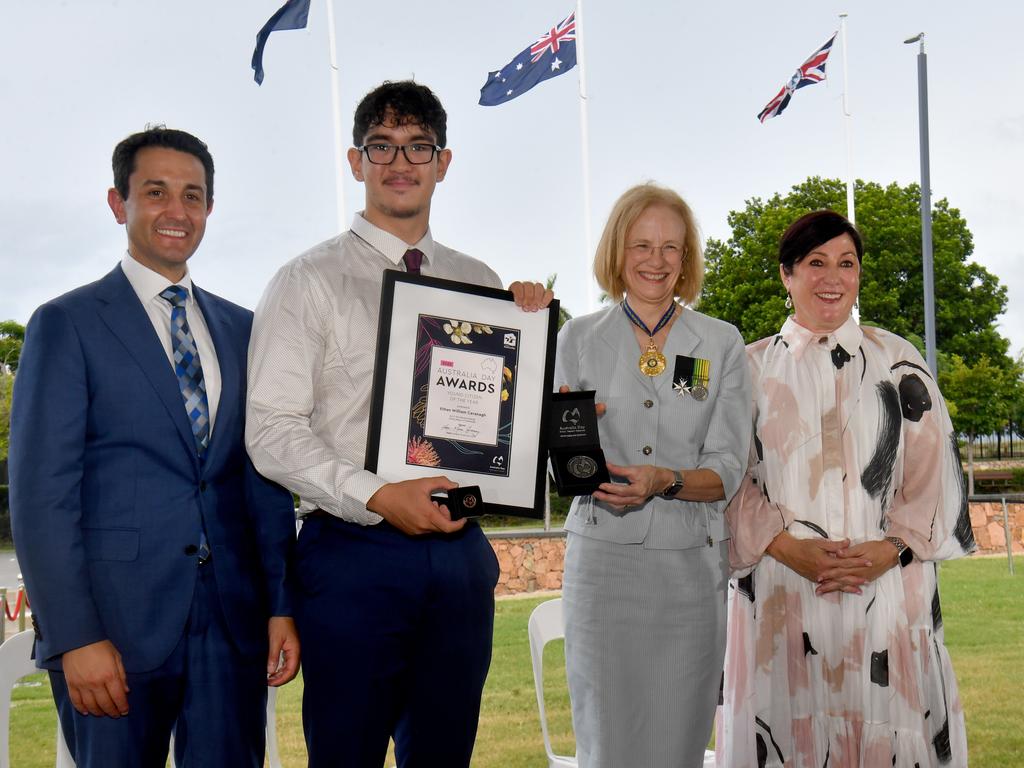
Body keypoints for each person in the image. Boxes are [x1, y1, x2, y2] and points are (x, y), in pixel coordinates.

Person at [245, 80, 552, 768]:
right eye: (381, 146)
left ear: (444, 162)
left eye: (419, 147)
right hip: (354, 556)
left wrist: (532, 336)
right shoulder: (306, 280)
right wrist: (377, 493)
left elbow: (502, 429)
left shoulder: (481, 282)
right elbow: (271, 429)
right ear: (356, 162)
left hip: (459, 555)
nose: (401, 162)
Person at [9, 127, 300, 767]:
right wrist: (75, 636)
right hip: (113, 629)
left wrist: (281, 605)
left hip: (231, 624)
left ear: (209, 209)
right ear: (120, 204)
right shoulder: (66, 324)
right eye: (156, 192)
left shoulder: (243, 329)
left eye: (193, 195)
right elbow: (41, 499)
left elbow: (264, 481)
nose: (177, 211)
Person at [717, 210, 975, 767]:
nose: (832, 276)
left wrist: (889, 549)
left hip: (887, 598)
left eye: (846, 263)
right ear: (786, 275)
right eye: (815, 262)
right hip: (783, 595)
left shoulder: (899, 362)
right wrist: (786, 547)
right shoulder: (746, 370)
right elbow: (725, 479)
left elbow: (934, 476)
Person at [554, 183, 752, 767]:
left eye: (671, 247)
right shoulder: (576, 339)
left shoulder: (720, 344)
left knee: (678, 744)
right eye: (642, 244)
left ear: (687, 258)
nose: (656, 260)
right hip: (601, 569)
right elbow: (567, 467)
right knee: (605, 741)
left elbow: (727, 468)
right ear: (617, 252)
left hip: (689, 571)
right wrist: (572, 438)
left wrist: (665, 479)